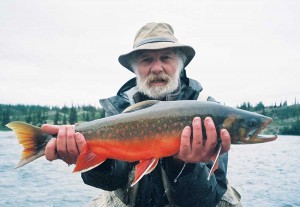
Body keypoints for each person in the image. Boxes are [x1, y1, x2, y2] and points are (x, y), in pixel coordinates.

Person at [42, 22, 242, 207]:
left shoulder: (208, 111)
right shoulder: (118, 109)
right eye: (147, 60)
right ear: (135, 69)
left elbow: (208, 199)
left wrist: (186, 167)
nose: (157, 68)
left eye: (166, 58)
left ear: (180, 65)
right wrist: (85, 158)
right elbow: (113, 180)